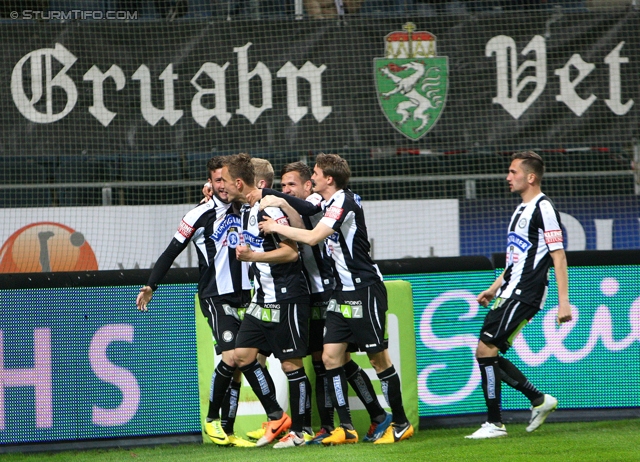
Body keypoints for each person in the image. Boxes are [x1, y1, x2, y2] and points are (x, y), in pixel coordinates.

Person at [258, 153, 413, 445]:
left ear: (328, 178)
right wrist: (275, 196)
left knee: (379, 360)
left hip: (364, 288)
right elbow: (303, 205)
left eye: (315, 174)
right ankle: (345, 428)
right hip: (340, 293)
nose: (312, 177)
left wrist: (276, 225)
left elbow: (314, 236)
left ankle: (401, 422)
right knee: (330, 358)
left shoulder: (345, 201)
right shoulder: (323, 200)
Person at [135, 156, 256, 447]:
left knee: (239, 365)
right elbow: (170, 251)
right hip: (214, 295)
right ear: (210, 183)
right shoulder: (198, 215)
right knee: (231, 358)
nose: (222, 186)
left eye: (225, 180)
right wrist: (151, 284)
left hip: (246, 294)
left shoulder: (248, 207)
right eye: (216, 181)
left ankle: (227, 430)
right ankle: (213, 420)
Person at [465, 150, 573, 439]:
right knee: (486, 351)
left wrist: (564, 301)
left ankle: (495, 423)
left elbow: (558, 256)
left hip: (526, 292)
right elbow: (516, 260)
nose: (507, 176)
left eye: (513, 172)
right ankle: (538, 400)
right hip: (510, 289)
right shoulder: (520, 209)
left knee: (485, 349)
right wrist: (493, 287)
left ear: (531, 176)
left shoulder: (544, 208)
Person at [221, 153, 313, 449]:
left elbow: (291, 252)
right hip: (261, 299)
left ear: (239, 182)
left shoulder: (266, 209)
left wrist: (254, 256)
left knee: (291, 366)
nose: (220, 186)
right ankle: (276, 416)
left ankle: (301, 431)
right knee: (242, 355)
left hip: (286, 297)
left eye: (223, 181)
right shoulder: (246, 210)